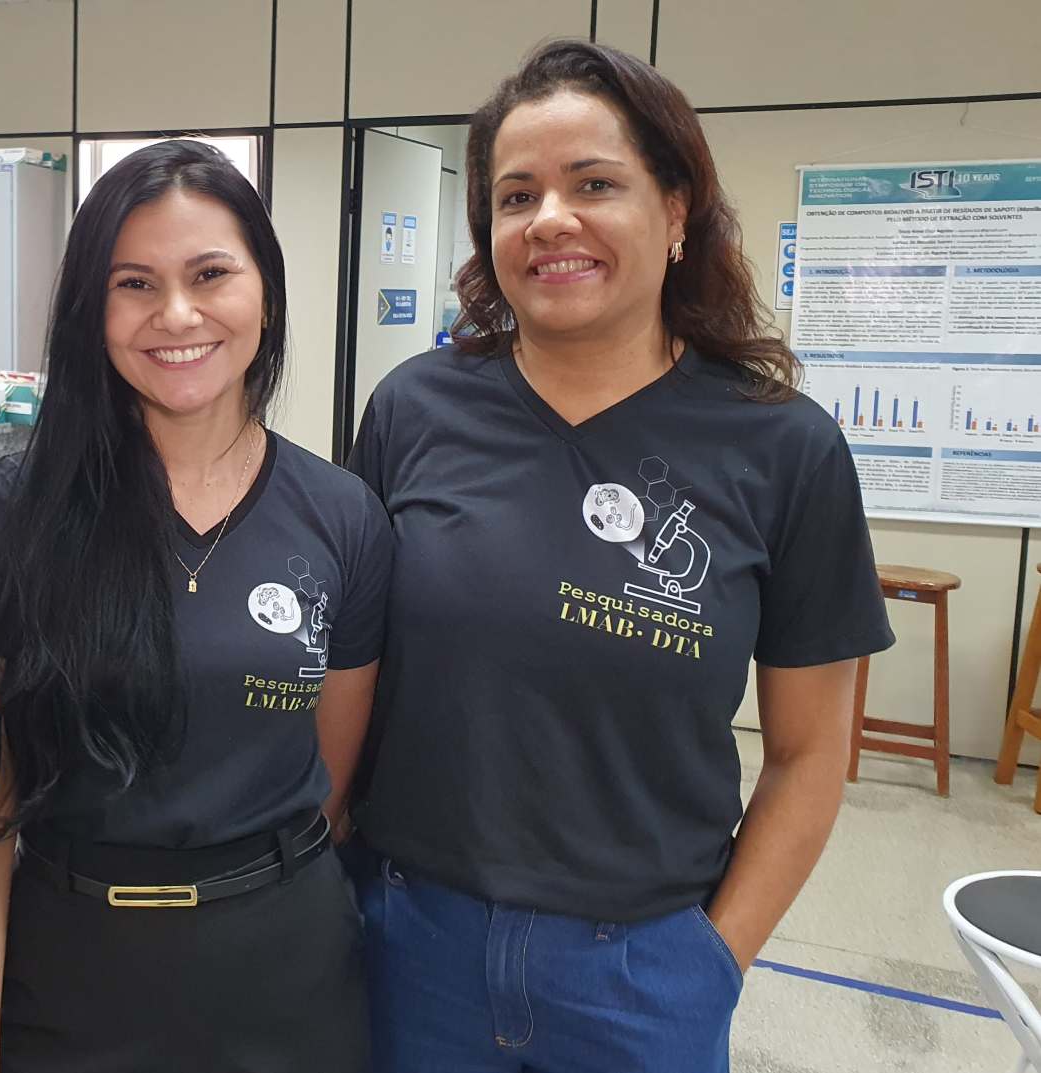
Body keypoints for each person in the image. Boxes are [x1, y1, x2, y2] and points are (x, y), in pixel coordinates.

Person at [345, 40, 894, 1073]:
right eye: (516, 196)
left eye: (595, 183)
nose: (551, 219)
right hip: (414, 946)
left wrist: (713, 960)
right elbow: (349, 678)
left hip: (641, 972)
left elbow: (811, 751)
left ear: (678, 210)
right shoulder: (414, 410)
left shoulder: (781, 446)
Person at [0, 140, 390, 1073]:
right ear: (91, 310)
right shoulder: (13, 517)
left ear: (266, 289)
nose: (175, 314)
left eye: (211, 273)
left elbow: (328, 784)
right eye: (133, 283)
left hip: (288, 982)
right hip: (73, 981)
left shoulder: (343, 517)